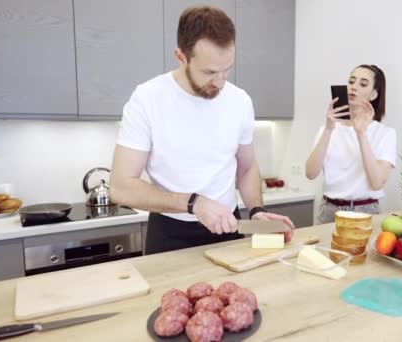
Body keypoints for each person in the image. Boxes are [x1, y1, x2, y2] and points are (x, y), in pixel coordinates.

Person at [110, 6, 294, 254]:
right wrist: (192, 203)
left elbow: (247, 166)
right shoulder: (147, 99)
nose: (220, 81)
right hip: (170, 232)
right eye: (209, 72)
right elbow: (121, 186)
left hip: (230, 228)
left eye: (226, 69)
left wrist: (257, 211)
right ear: (181, 57)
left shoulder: (240, 101)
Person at [305, 64, 397, 224]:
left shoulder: (385, 134)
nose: (353, 87)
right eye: (351, 81)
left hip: (366, 213)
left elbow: (376, 183)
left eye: (363, 84)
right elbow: (310, 173)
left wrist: (361, 133)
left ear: (374, 94)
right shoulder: (327, 129)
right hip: (329, 212)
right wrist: (328, 130)